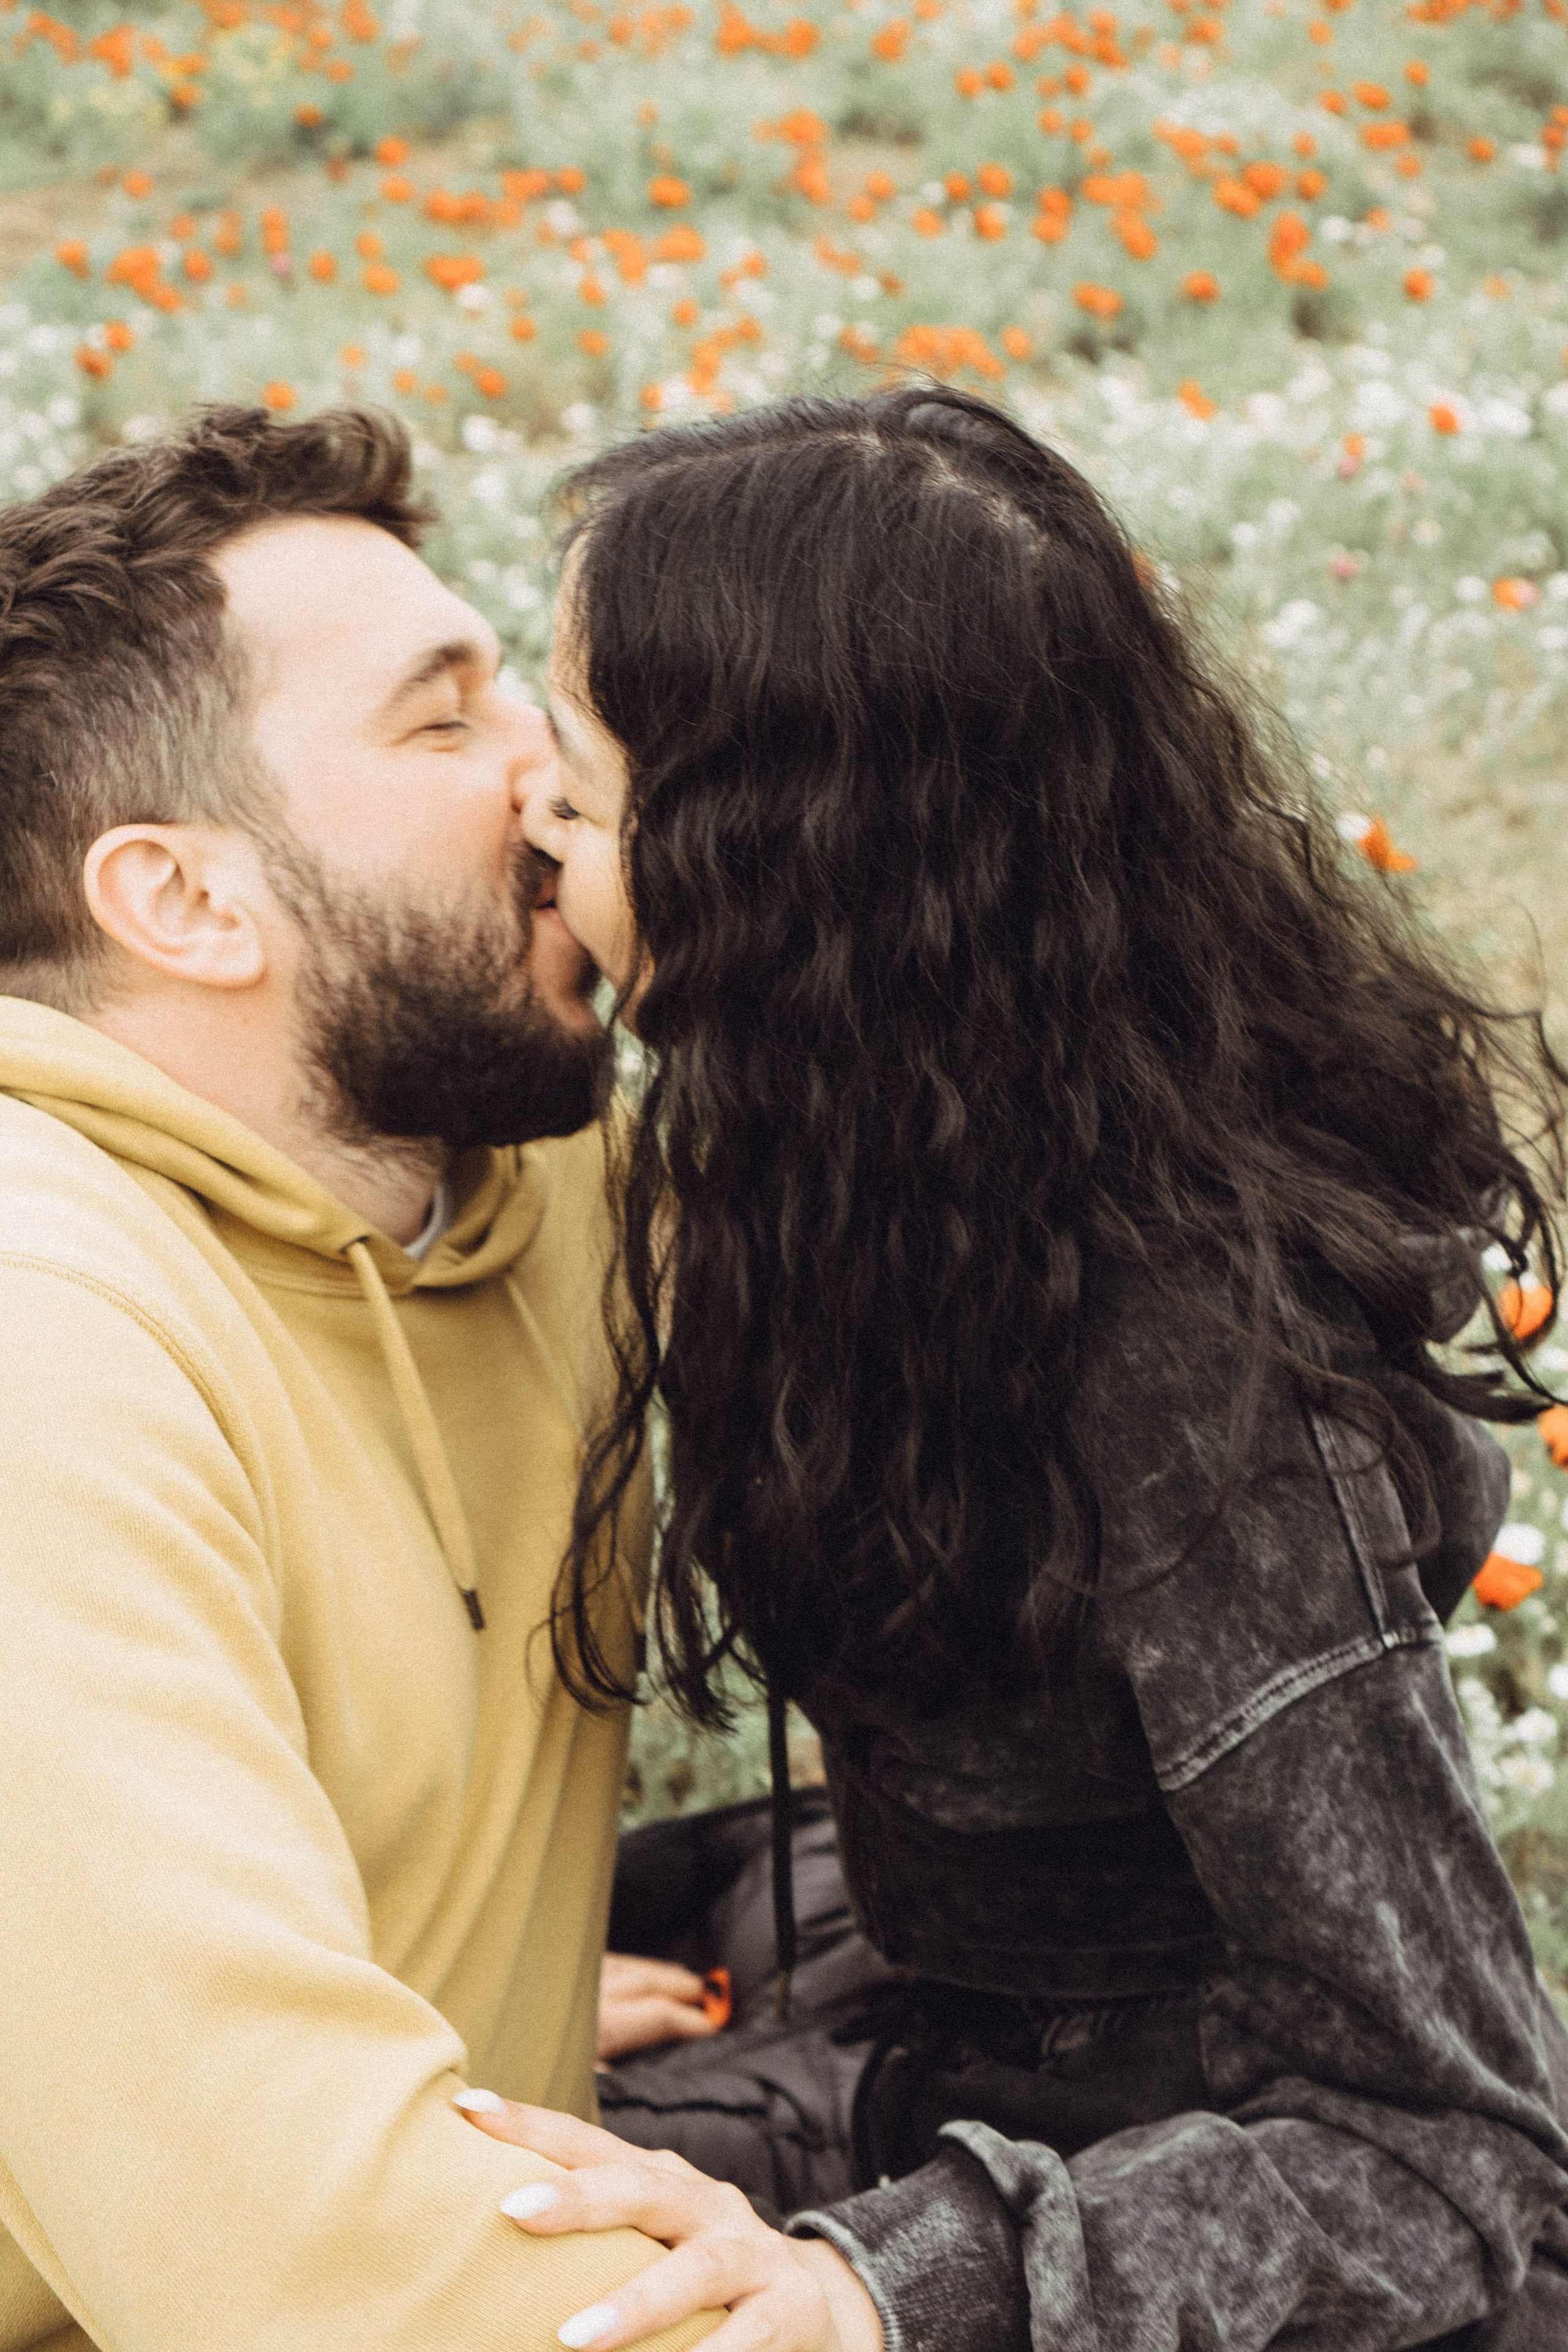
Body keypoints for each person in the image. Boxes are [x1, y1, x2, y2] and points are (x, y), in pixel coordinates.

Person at [453, 386, 1568, 2351]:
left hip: (1171, 2184)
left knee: (509, 2264)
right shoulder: (853, 1135)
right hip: (930, 1979)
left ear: (779, 873)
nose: (529, 816)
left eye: (585, 779)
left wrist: (883, 2294)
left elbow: (1451, 2149)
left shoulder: (1203, 1382)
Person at [0, 401, 873, 2352]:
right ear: (189, 903)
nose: (549, 776)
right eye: (444, 716)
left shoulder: (519, 1162)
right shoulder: (38, 1335)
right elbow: (300, 2279)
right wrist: (886, 2313)